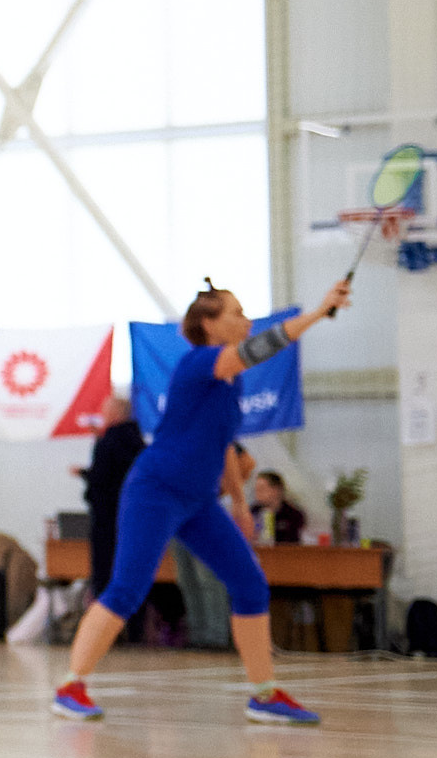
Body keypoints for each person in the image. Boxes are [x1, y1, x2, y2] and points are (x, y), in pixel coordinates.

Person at [54, 278, 351, 726]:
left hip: (197, 501)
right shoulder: (199, 363)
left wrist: (237, 502)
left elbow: (225, 445)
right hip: (156, 489)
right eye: (236, 313)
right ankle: (70, 686)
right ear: (210, 325)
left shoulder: (229, 386)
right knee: (127, 589)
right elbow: (261, 348)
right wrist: (318, 311)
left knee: (250, 583)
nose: (246, 320)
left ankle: (264, 694)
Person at [77, 395, 143, 605]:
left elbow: (102, 478)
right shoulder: (137, 441)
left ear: (115, 414)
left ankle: (106, 617)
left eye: (106, 411)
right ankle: (132, 627)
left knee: (105, 571)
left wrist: (86, 472)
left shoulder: (110, 441)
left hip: (107, 519)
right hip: (131, 517)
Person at [248, 469, 306, 546]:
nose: (257, 493)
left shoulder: (293, 515)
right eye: (256, 490)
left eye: (261, 489)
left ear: (276, 490)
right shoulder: (252, 512)